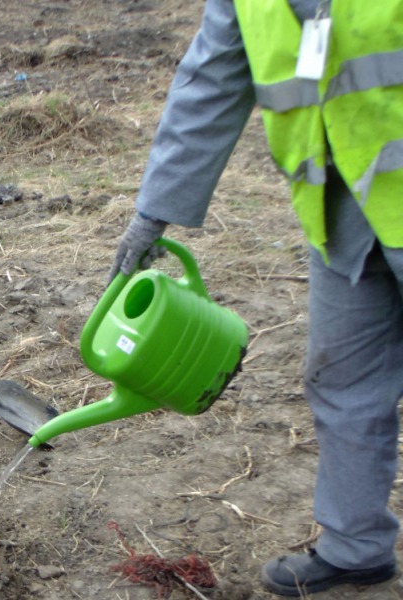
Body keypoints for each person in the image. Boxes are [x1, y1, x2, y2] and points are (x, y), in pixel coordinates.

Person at [109, 0, 403, 597]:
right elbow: (211, 80)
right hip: (343, 213)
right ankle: (355, 548)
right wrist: (154, 211)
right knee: (341, 379)